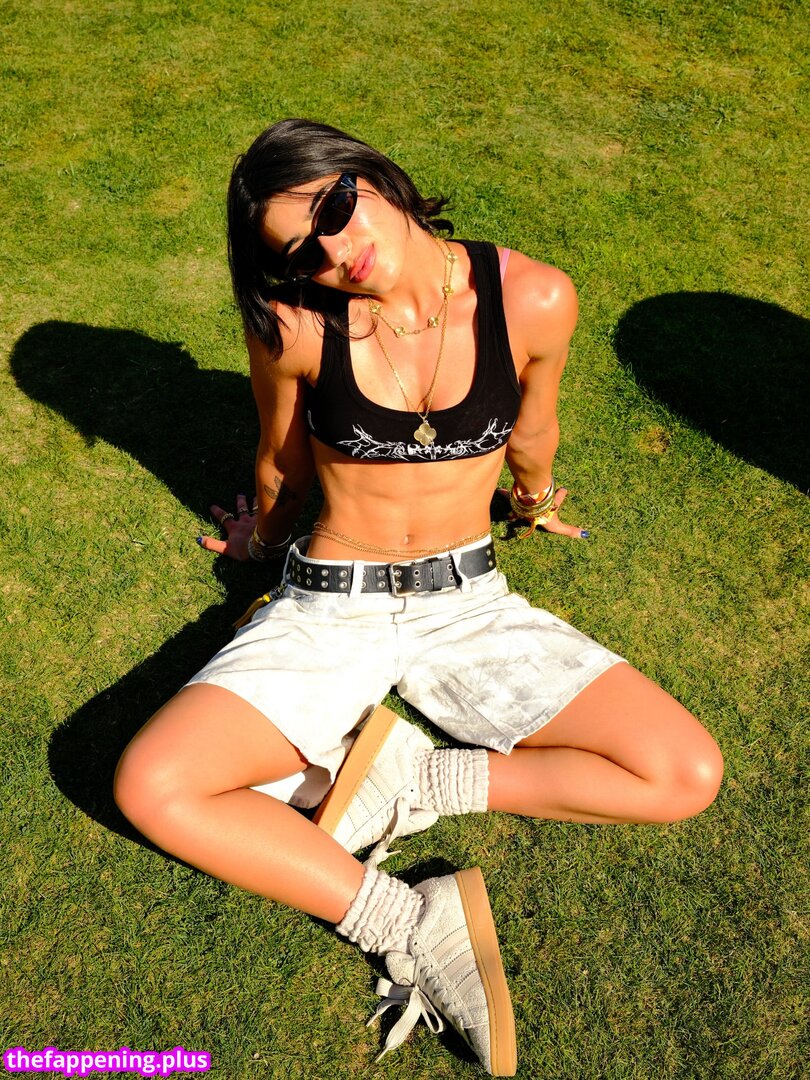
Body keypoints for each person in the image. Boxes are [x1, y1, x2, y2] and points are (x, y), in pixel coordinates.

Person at [114, 118, 723, 1076]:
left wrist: (534, 502)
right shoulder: (298, 326)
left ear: (370, 174)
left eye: (334, 210)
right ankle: (404, 922)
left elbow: (534, 431)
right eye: (301, 252)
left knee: (683, 773)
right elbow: (281, 466)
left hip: (471, 603)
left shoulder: (533, 297)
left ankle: (418, 782)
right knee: (153, 784)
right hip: (333, 603)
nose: (334, 252)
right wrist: (258, 541)